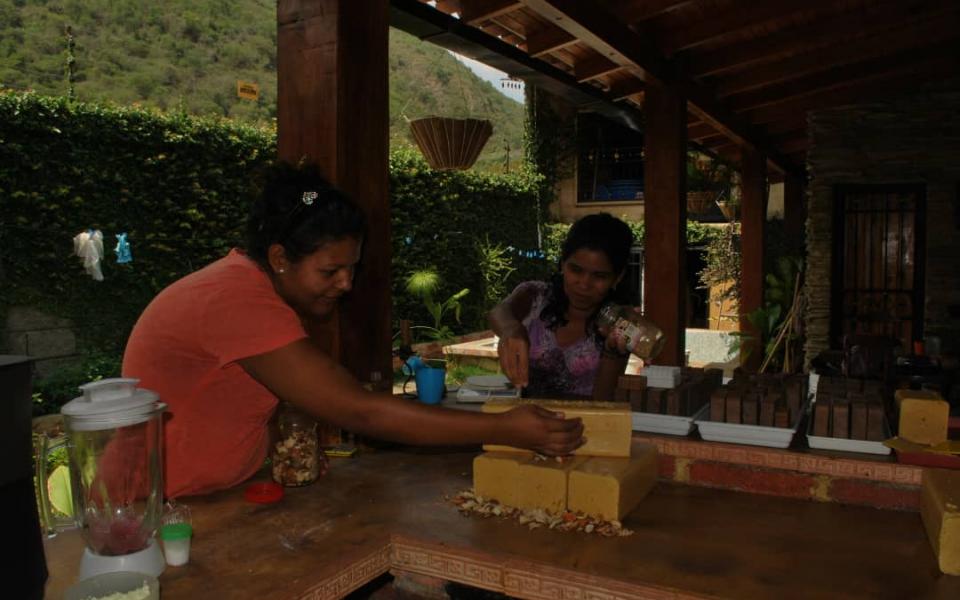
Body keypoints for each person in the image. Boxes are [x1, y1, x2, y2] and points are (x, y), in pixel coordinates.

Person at [122, 162, 583, 497]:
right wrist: (504, 428)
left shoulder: (255, 290)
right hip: (155, 508)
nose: (346, 283)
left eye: (352, 268)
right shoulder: (236, 300)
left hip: (210, 496)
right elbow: (359, 412)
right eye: (330, 271)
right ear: (280, 258)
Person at [489, 213, 637, 400]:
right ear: (562, 264)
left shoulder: (619, 324)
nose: (584, 284)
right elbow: (499, 312)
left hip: (583, 425)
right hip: (526, 422)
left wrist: (613, 353)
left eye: (599, 276)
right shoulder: (536, 296)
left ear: (618, 277)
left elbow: (603, 401)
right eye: (575, 270)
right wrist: (511, 330)